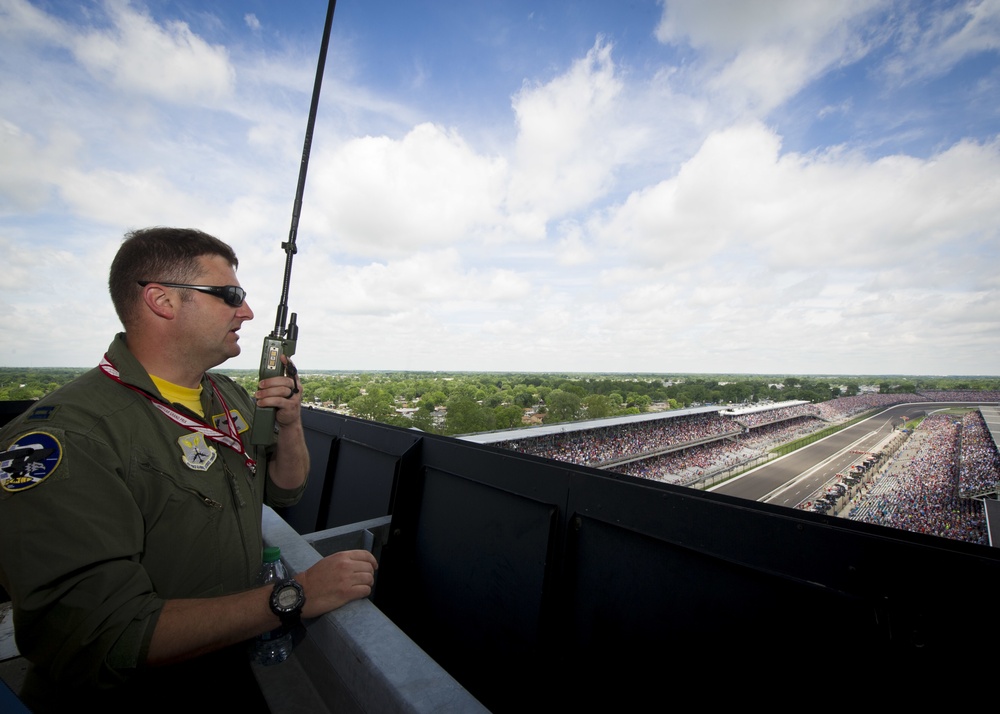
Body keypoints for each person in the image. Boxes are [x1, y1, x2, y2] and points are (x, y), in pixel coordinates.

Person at [0, 227, 378, 711]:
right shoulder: (73, 438)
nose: (247, 311)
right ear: (162, 300)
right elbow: (100, 636)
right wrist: (294, 595)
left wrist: (290, 424)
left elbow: (285, 492)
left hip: (222, 666)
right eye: (230, 295)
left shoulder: (229, 397)